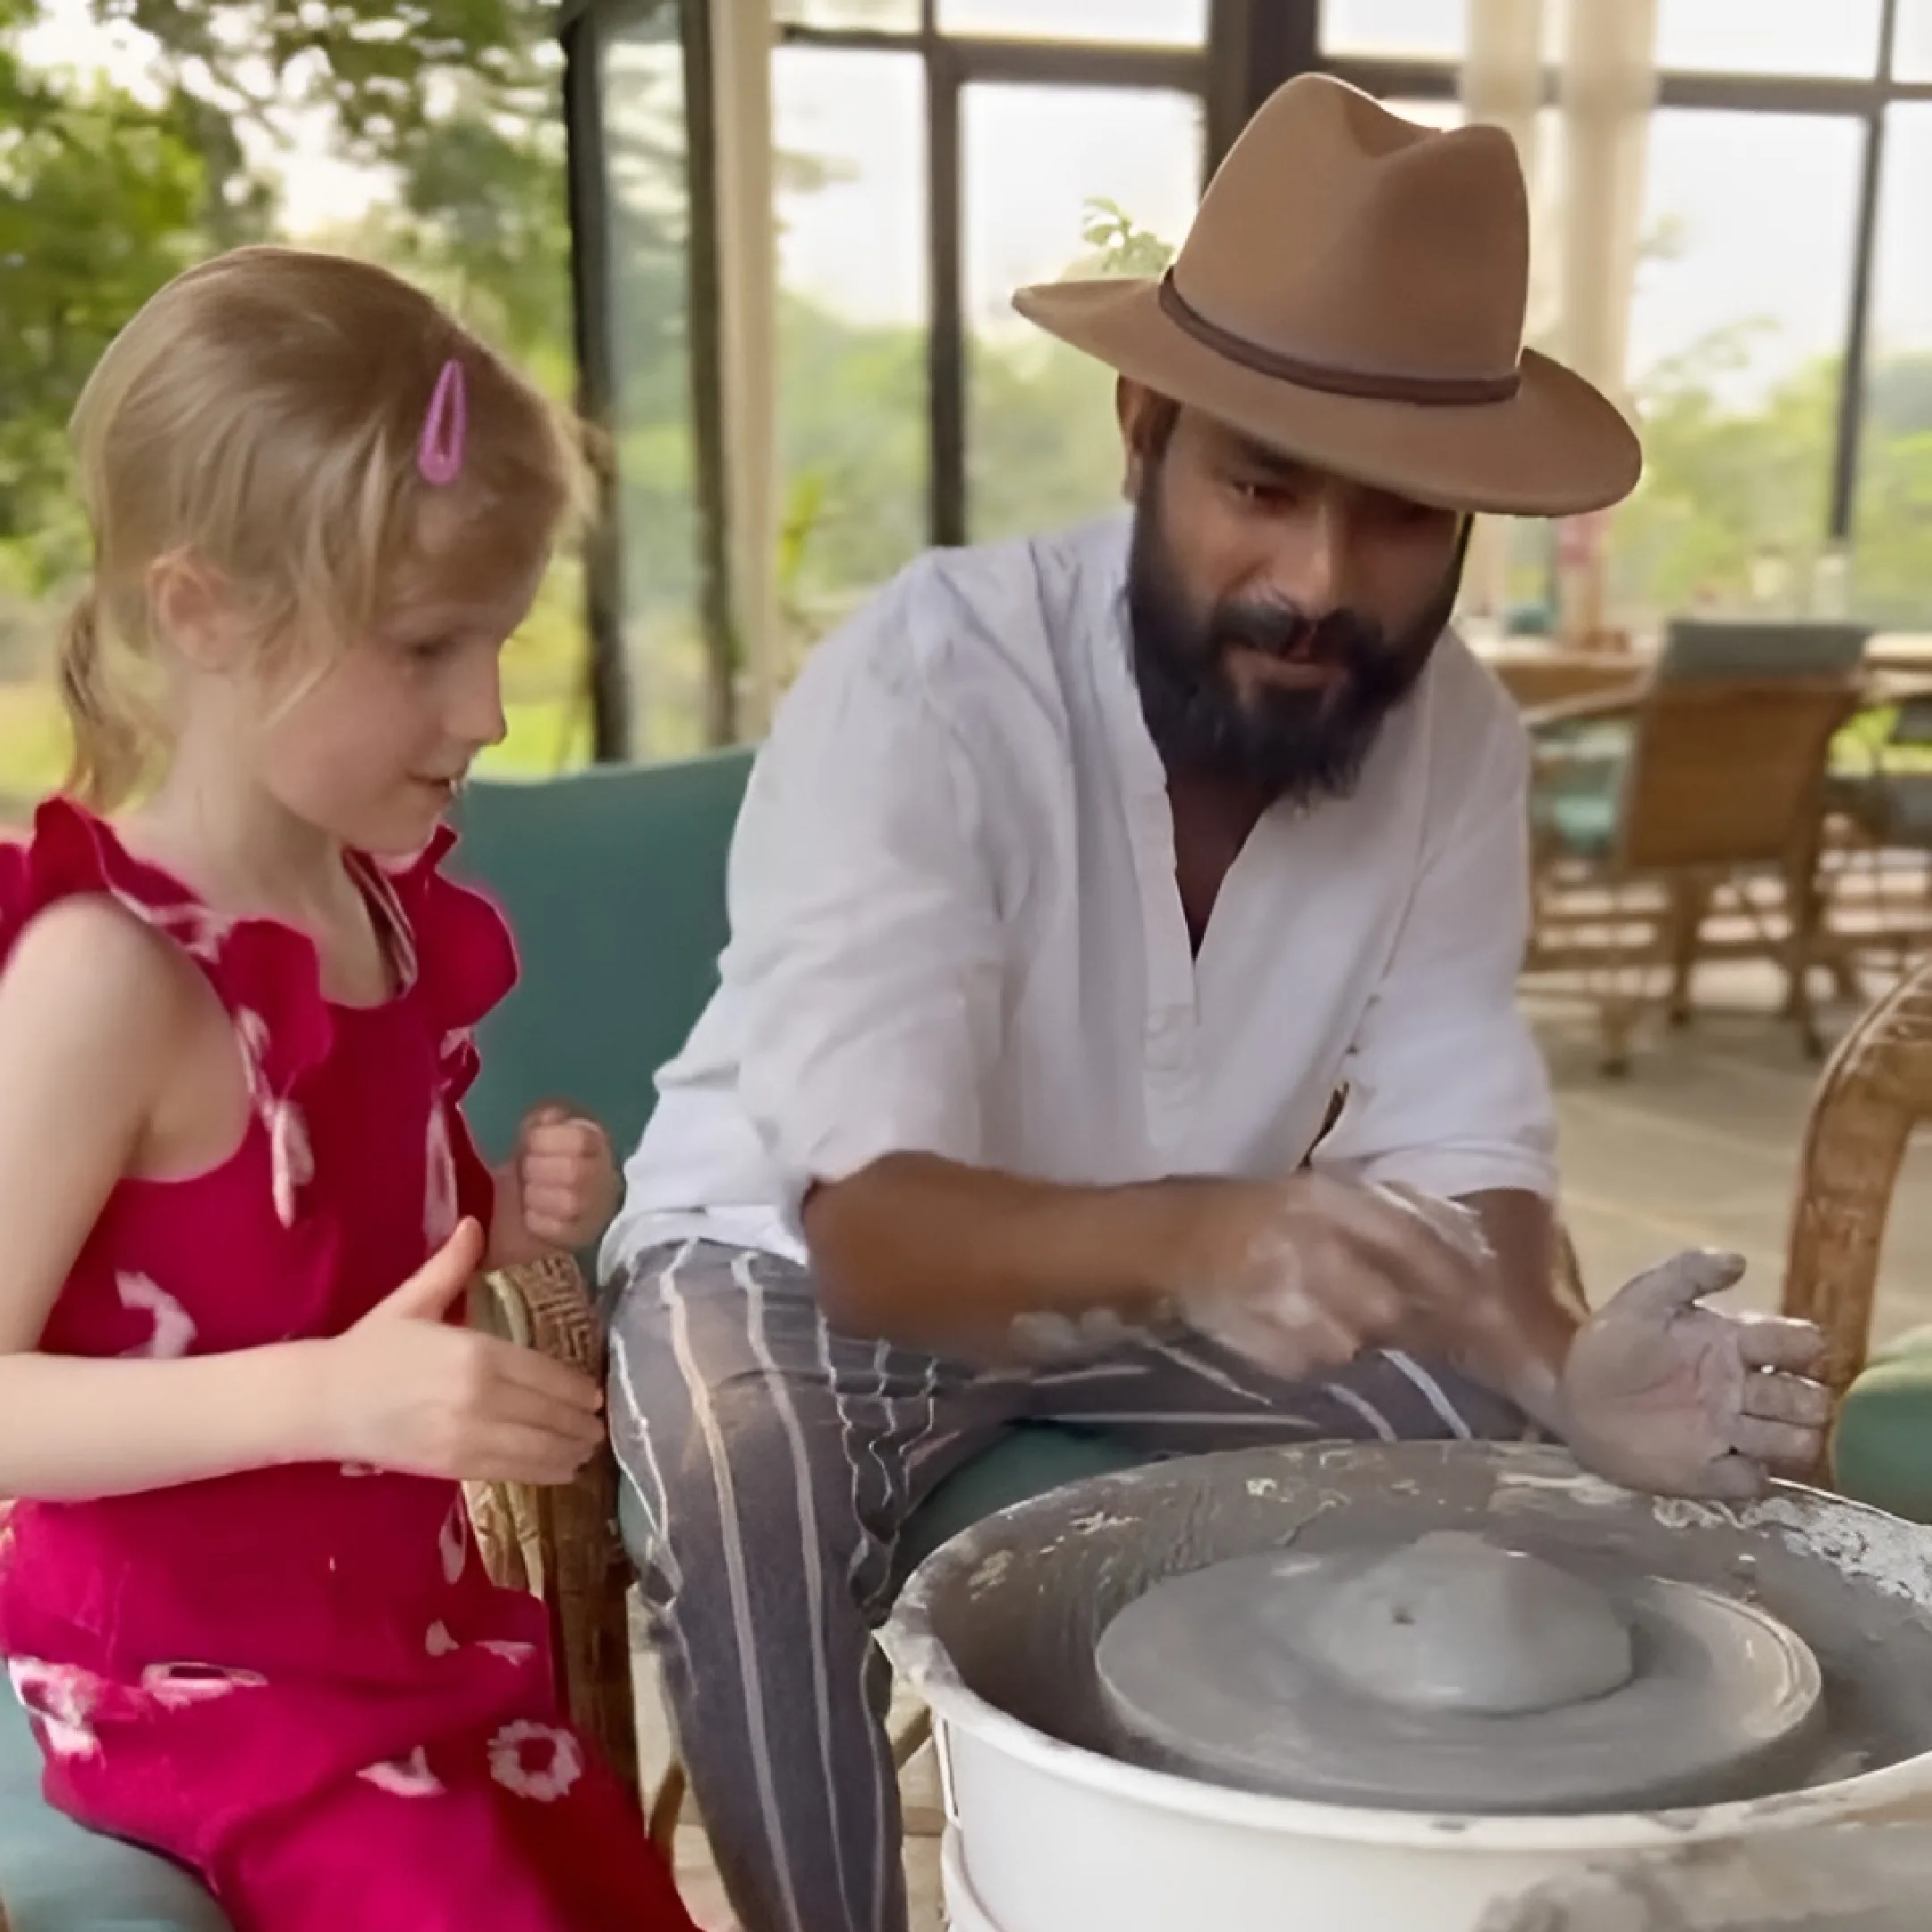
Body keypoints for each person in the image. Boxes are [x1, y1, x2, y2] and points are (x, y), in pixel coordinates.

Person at [598, 77, 1831, 1932]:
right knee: (740, 1483)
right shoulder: (928, 683)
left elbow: (1453, 1136)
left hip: (1187, 1269)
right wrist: (1207, 1233)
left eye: (1405, 519)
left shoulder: (1456, 738)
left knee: (1481, 1435)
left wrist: (1557, 1366)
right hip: (789, 1260)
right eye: (1261, 488)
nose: (1319, 585)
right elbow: (870, 1227)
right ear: (1142, 427)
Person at [0, 248, 695, 1932]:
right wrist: (329, 1400)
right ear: (204, 611)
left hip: (405, 1645)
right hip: (196, 1681)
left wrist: (515, 1209)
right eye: (428, 647)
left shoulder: (374, 905)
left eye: (500, 641)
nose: (491, 709)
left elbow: (366, 1242)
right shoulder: (109, 978)